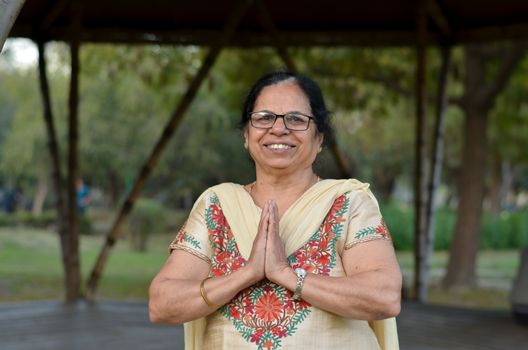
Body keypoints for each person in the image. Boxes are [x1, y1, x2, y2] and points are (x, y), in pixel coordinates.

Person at [149, 71, 402, 349]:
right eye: (264, 118)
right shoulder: (217, 206)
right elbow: (161, 304)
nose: (279, 129)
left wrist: (287, 274)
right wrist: (245, 275)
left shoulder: (347, 203)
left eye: (296, 119)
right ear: (246, 135)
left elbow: (385, 297)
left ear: (319, 138)